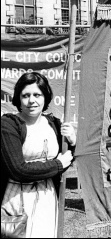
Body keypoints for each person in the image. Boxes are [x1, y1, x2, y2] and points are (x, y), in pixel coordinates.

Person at [1, 72, 75, 238]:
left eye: (37, 95)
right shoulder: (8, 125)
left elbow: (67, 158)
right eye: (26, 95)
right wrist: (57, 165)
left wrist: (72, 142)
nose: (32, 100)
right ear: (18, 98)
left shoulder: (54, 123)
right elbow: (18, 169)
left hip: (47, 196)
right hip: (17, 198)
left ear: (45, 97)